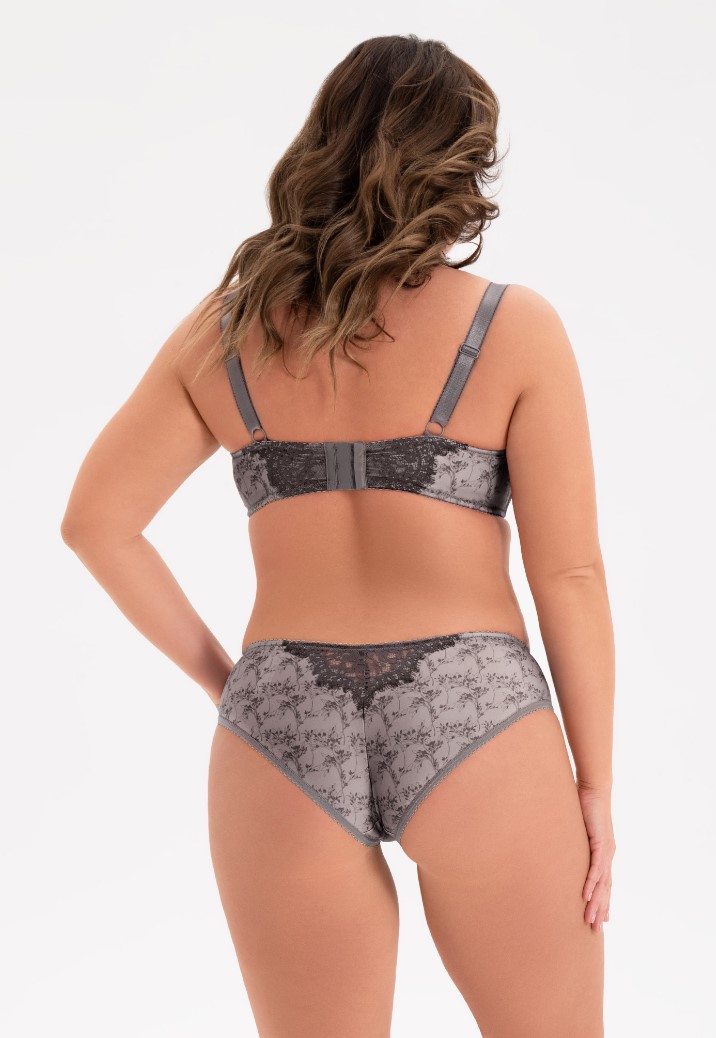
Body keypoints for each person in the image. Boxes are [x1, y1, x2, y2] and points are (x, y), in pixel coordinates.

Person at [61, 33, 615, 1038]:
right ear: (457, 164)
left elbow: (96, 523)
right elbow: (569, 574)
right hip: (476, 711)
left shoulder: (229, 331)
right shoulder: (513, 328)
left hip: (281, 715)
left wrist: (235, 685)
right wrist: (596, 786)